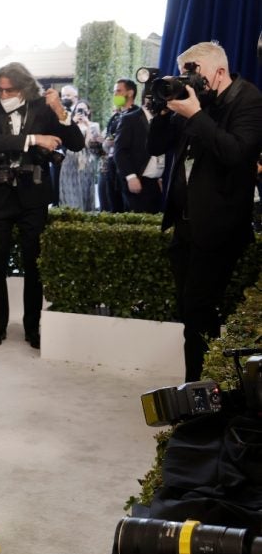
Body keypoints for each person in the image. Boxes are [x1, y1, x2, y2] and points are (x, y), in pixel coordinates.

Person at [147, 41, 262, 381]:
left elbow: (236, 153)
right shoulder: (196, 101)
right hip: (185, 225)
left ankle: (199, 395)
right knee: (191, 312)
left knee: (198, 310)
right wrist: (165, 110)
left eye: (194, 73)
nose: (188, 80)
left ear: (220, 71)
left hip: (219, 227)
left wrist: (195, 115)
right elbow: (155, 147)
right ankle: (206, 388)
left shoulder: (250, 101)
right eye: (184, 73)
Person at [0, 62, 85, 349]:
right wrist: (34, 139)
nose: (4, 95)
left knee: (33, 265)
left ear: (24, 88)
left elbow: (76, 143)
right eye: (0, 90)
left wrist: (61, 112)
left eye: (10, 90)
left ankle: (32, 328)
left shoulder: (42, 106)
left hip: (33, 195)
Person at [114, 91, 165, 214]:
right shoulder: (129, 119)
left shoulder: (165, 120)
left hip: (157, 183)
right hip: (137, 181)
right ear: (147, 100)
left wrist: (162, 178)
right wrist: (131, 177)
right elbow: (120, 151)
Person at [99, 79, 139, 213]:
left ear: (130, 93)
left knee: (128, 207)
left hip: (128, 168)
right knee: (113, 207)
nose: (115, 95)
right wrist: (105, 143)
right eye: (114, 91)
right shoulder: (115, 117)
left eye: (119, 91)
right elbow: (107, 142)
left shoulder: (138, 115)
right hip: (111, 166)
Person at [58, 100, 103, 211]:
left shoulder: (94, 125)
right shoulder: (70, 124)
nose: (81, 112)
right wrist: (73, 123)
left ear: (88, 111)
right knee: (69, 190)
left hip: (86, 161)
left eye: (84, 110)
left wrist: (88, 127)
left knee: (85, 189)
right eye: (79, 109)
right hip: (69, 160)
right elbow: (63, 141)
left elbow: (89, 145)